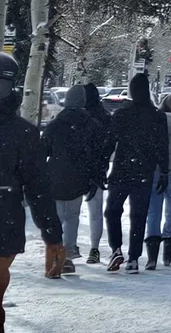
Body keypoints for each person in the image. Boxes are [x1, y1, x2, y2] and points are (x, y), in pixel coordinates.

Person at [0, 52, 65, 319]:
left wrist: (52, 236)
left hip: (4, 223)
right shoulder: (21, 132)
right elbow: (38, 186)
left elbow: (38, 186)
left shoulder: (22, 132)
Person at [104, 72, 166, 273]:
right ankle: (133, 257)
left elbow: (110, 143)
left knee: (113, 210)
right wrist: (164, 172)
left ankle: (116, 248)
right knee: (138, 215)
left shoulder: (122, 115)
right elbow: (162, 147)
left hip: (122, 168)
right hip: (144, 170)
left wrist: (101, 165)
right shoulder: (157, 116)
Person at [42, 86, 106, 274]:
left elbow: (43, 149)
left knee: (57, 217)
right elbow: (98, 154)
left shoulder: (56, 123)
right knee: (72, 217)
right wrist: (95, 176)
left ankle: (55, 255)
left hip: (56, 175)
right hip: (79, 176)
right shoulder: (92, 124)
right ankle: (68, 255)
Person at [144, 93, 171, 267]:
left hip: (156, 169)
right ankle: (168, 254)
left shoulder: (153, 121)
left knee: (153, 210)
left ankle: (152, 254)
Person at [80, 85, 113, 263]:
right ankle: (94, 248)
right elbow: (109, 145)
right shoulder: (105, 117)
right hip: (98, 169)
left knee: (71, 211)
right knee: (95, 211)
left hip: (76, 169)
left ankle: (68, 246)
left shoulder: (78, 117)